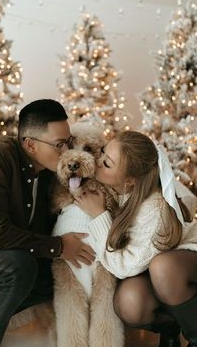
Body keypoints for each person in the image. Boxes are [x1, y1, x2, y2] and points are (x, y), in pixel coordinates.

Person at [0, 99, 95, 347]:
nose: (67, 151)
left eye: (69, 142)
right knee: (17, 267)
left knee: (59, 276)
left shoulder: (46, 172)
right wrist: (58, 246)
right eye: (59, 145)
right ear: (30, 144)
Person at [74, 130, 197, 347]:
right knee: (129, 301)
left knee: (163, 266)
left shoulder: (155, 208)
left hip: (183, 262)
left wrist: (99, 216)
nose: (98, 161)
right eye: (103, 152)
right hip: (149, 269)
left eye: (107, 163)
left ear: (130, 180)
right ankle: (170, 329)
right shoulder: (115, 188)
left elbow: (124, 267)